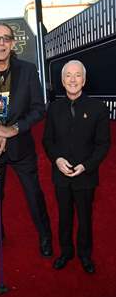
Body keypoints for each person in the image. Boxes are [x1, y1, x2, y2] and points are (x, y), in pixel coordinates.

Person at [0, 22, 53, 258]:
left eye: (6, 38)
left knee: (33, 194)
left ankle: (45, 236)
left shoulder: (27, 70)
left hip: (21, 147)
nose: (1, 43)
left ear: (13, 43)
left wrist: (14, 129)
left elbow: (38, 109)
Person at [42, 60, 110, 274]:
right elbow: (47, 141)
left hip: (85, 176)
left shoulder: (98, 108)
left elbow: (103, 144)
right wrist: (57, 160)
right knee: (64, 216)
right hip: (60, 176)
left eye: (77, 75)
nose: (73, 79)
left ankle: (84, 254)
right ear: (62, 81)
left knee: (85, 217)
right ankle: (66, 252)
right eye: (68, 76)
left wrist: (86, 166)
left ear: (84, 79)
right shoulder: (53, 108)